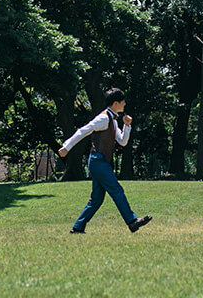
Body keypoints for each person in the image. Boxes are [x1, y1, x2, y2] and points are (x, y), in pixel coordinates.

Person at [58, 87, 153, 234]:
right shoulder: (103, 118)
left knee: (96, 199)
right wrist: (67, 147)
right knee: (116, 189)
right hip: (98, 161)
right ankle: (132, 221)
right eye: (123, 102)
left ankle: (78, 227)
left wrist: (127, 126)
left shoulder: (113, 120)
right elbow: (83, 130)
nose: (125, 104)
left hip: (100, 162)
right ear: (116, 103)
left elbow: (122, 141)